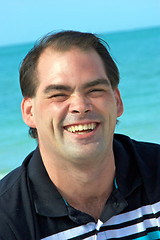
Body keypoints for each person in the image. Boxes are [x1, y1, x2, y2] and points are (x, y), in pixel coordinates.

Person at [0, 30, 160, 240]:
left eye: (95, 90)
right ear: (30, 112)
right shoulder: (7, 220)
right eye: (58, 95)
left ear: (117, 101)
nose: (80, 106)